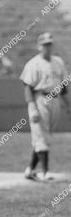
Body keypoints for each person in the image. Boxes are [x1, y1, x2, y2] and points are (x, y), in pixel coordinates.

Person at [20, 32, 70, 181]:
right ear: (39, 46)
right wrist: (32, 106)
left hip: (55, 100)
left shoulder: (58, 62)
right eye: (44, 44)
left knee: (44, 137)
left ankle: (29, 170)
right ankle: (45, 171)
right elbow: (27, 86)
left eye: (49, 44)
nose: (47, 47)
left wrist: (68, 105)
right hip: (39, 99)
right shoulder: (33, 63)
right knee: (41, 135)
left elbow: (64, 86)